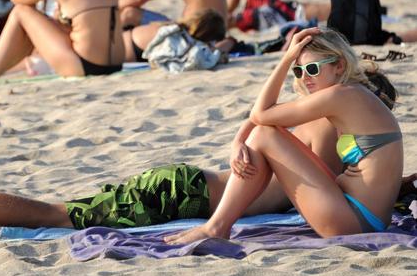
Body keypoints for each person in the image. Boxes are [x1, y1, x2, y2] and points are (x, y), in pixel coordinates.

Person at [0, 62, 409, 233]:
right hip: (182, 195)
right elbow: (275, 140)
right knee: (54, 214)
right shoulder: (324, 134)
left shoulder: (324, 144)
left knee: (59, 210)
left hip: (188, 185)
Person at [164, 27, 403, 244]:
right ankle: (217, 225)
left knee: (263, 135)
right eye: (298, 70)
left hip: (354, 221)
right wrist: (237, 142)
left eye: (312, 69)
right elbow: (264, 115)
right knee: (263, 132)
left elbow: (261, 114)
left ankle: (217, 226)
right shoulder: (348, 95)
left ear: (339, 66)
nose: (304, 77)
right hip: (359, 214)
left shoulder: (341, 96)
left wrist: (286, 58)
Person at [123, 9, 226, 63]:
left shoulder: (171, 27)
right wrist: (229, 43)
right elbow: (204, 56)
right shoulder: (179, 40)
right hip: (117, 55)